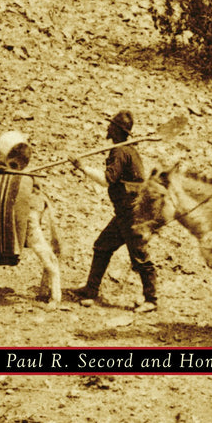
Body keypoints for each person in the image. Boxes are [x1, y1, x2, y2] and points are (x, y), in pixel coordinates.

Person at [71, 111, 157, 313]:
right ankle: (91, 289)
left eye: (111, 126)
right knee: (102, 246)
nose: (108, 128)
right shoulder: (128, 150)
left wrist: (82, 167)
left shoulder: (120, 152)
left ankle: (151, 300)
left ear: (118, 130)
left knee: (139, 256)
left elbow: (106, 180)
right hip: (125, 212)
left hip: (132, 214)